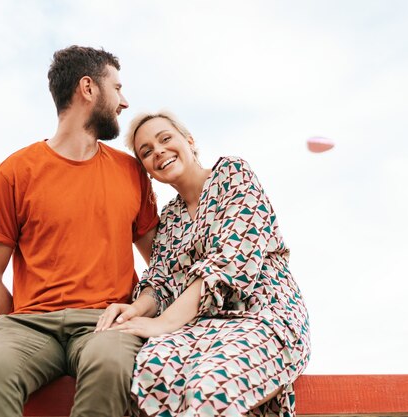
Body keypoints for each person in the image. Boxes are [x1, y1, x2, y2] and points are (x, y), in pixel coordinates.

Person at [0, 46, 159, 417]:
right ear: (88, 88)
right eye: (117, 88)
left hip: (106, 324)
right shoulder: (13, 173)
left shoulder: (131, 173)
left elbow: (161, 266)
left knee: (111, 367)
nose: (125, 101)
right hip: (31, 326)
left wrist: (137, 312)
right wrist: (25, 325)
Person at [97, 111, 311, 417]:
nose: (158, 151)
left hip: (263, 314)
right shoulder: (169, 219)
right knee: (150, 369)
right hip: (202, 327)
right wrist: (134, 311)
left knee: (208, 388)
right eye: (146, 152)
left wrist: (165, 323)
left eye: (165, 138)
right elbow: (160, 282)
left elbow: (231, 262)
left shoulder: (233, 174)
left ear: (189, 141)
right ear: (147, 170)